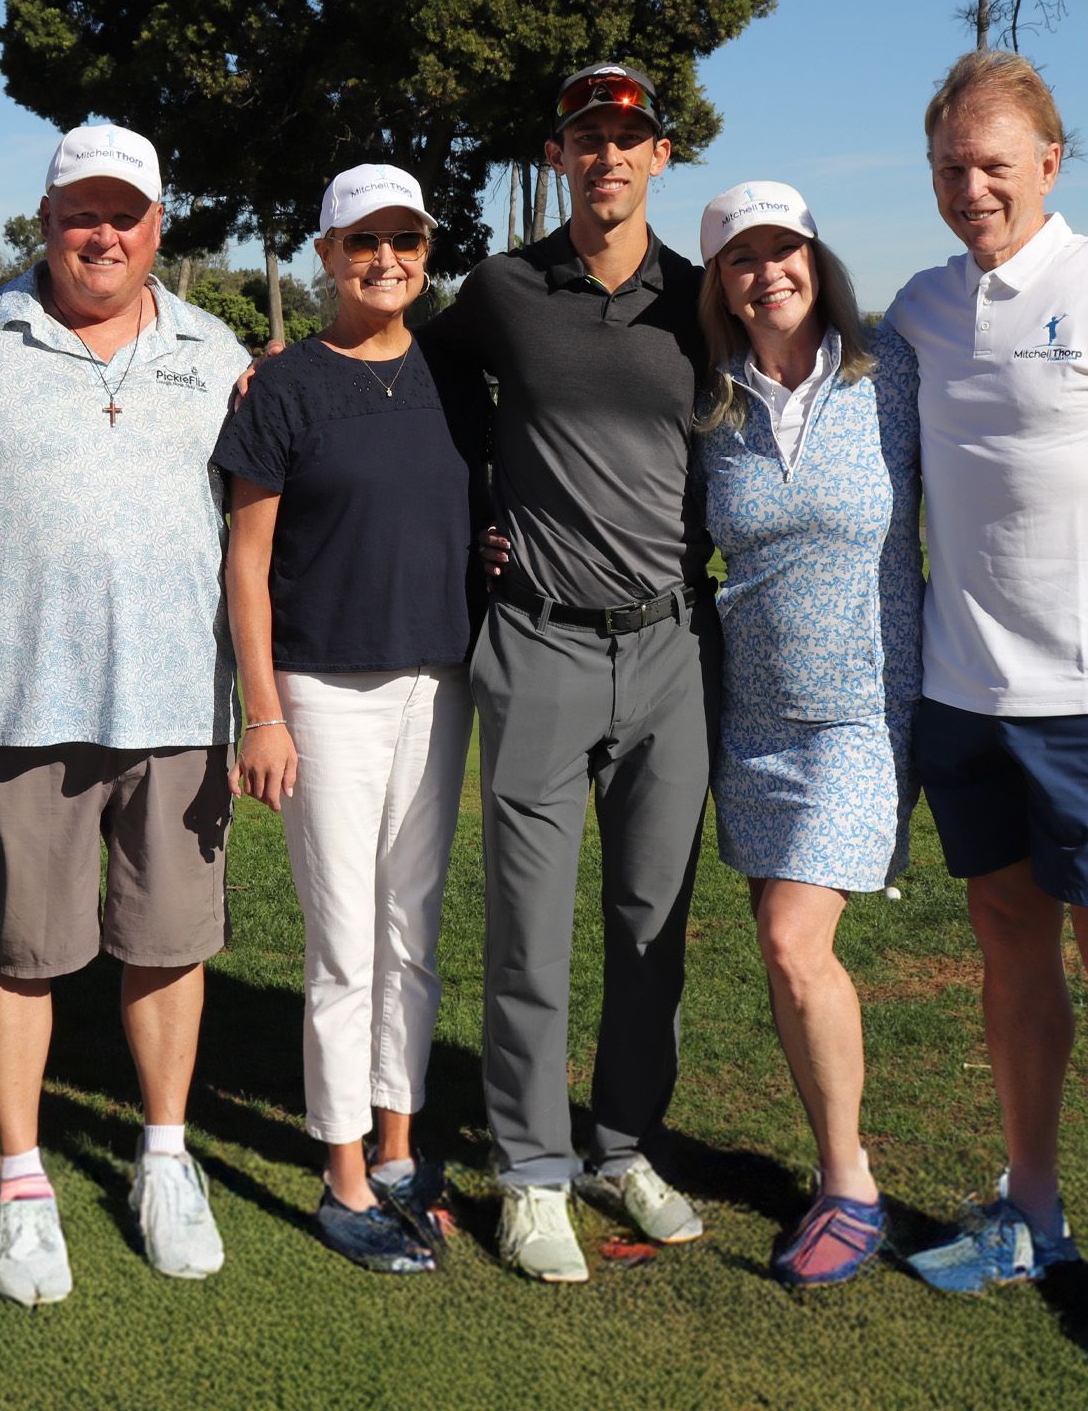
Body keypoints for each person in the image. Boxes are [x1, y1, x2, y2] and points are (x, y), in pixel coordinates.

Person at [885, 51, 1088, 1369]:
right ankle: (1032, 1212)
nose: (971, 187)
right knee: (1010, 951)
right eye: (950, 166)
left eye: (996, 163)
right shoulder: (924, 308)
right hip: (965, 698)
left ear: (1052, 161)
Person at [428, 63, 722, 1282]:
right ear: (558, 157)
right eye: (586, 137)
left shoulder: (699, 301)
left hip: (671, 649)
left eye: (629, 137)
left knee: (654, 921)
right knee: (529, 926)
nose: (608, 155)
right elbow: (423, 384)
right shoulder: (502, 290)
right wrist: (481, 506)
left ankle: (617, 1142)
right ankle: (529, 1167)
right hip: (540, 641)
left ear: (660, 158)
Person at [0, 124, 252, 1306]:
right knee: (22, 947)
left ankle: (165, 1157)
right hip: (16, 701)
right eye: (81, 209)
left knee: (168, 943)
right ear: (45, 219)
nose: (103, 232)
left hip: (181, 704)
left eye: (125, 212)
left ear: (158, 227)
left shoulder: (214, 347)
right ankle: (24, 1181)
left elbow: (261, 525)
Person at [213, 165, 490, 1274]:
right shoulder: (282, 390)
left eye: (405, 240)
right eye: (362, 242)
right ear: (325, 256)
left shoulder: (456, 378)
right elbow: (248, 562)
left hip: (438, 682)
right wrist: (262, 713)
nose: (386, 260)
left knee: (412, 932)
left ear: (427, 250)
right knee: (344, 945)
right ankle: (339, 1177)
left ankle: (398, 1147)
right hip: (322, 692)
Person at [694, 182, 922, 1286]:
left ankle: (852, 1183)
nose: (768, 271)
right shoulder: (710, 400)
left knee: (795, 940)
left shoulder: (895, 375)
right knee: (785, 962)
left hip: (865, 713)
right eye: (743, 258)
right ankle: (838, 1163)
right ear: (720, 286)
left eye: (786, 250)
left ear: (818, 261)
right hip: (755, 716)